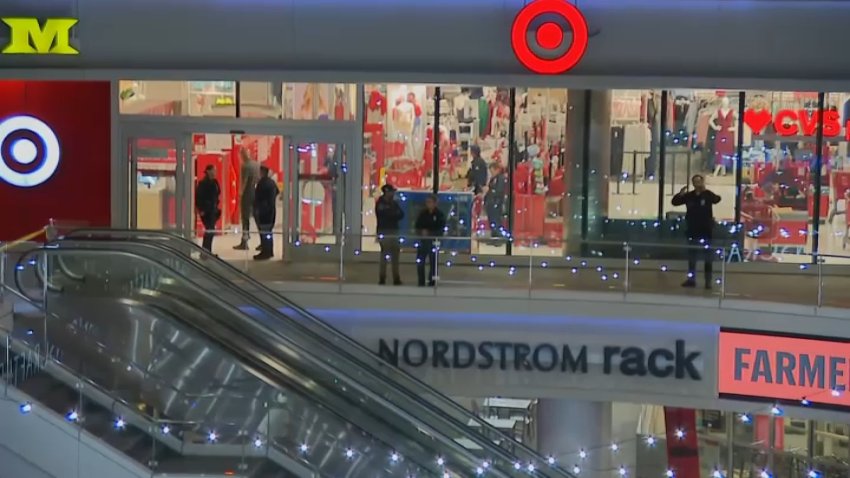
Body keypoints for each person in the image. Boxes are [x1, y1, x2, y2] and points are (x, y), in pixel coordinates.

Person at [672, 174, 721, 289]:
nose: (697, 184)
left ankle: (707, 281)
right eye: (695, 182)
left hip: (706, 230)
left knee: (707, 257)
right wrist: (680, 194)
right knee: (692, 256)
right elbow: (675, 202)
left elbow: (717, 199)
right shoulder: (690, 196)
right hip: (692, 229)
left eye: (699, 181)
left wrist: (705, 191)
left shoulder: (708, 194)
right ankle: (691, 279)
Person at [375, 184, 404, 285]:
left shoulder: (394, 203)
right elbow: (386, 215)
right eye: (391, 191)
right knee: (384, 255)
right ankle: (382, 277)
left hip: (394, 231)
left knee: (395, 256)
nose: (393, 193)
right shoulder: (380, 203)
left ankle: (396, 277)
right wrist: (393, 214)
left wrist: (393, 214)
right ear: (387, 192)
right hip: (384, 231)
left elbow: (401, 214)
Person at [414, 194, 446, 287]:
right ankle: (421, 281)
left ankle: (432, 280)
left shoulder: (439, 214)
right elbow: (418, 225)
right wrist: (421, 232)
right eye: (427, 202)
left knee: (433, 262)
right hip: (423, 241)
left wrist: (431, 232)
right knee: (421, 261)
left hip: (434, 241)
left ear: (435, 203)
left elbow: (440, 227)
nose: (428, 204)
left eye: (430, 202)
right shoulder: (422, 214)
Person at [234, 149, 260, 251]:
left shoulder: (245, 166)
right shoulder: (256, 165)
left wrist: (240, 193)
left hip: (247, 194)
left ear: (242, 155)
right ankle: (263, 241)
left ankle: (244, 241)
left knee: (245, 218)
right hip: (256, 193)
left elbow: (244, 181)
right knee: (257, 218)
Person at [253, 166, 279, 260]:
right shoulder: (271, 182)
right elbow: (277, 192)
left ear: (262, 172)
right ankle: (269, 251)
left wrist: (258, 207)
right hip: (271, 210)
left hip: (263, 211)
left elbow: (257, 197)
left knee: (264, 232)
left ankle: (265, 252)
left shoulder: (262, 183)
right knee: (268, 232)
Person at [195, 165, 221, 252]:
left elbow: (218, 193)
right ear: (208, 171)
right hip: (206, 211)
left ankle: (208, 250)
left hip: (213, 210)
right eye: (213, 170)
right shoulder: (203, 183)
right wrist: (201, 209)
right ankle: (205, 251)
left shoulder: (215, 182)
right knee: (209, 230)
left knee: (211, 231)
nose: (215, 172)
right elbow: (199, 197)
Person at [484, 162, 509, 241]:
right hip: (490, 202)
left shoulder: (501, 179)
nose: (492, 173)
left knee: (496, 221)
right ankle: (494, 236)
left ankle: (498, 238)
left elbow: (499, 191)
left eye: (492, 171)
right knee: (492, 221)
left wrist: (491, 191)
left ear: (497, 170)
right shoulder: (493, 179)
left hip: (496, 202)